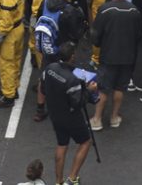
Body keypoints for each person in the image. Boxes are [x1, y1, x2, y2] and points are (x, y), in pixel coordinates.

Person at [41, 42, 100, 185]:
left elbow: (42, 89)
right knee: (85, 142)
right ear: (72, 56)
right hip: (71, 117)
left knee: (62, 145)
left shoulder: (49, 69)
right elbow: (78, 102)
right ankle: (72, 179)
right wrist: (89, 90)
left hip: (55, 114)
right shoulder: (72, 79)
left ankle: (58, 181)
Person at [89, 0, 142, 130]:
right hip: (128, 56)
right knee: (120, 88)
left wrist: (98, 44)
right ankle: (114, 117)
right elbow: (139, 35)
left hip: (109, 55)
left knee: (103, 88)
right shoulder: (134, 10)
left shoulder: (105, 9)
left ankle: (97, 119)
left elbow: (95, 34)